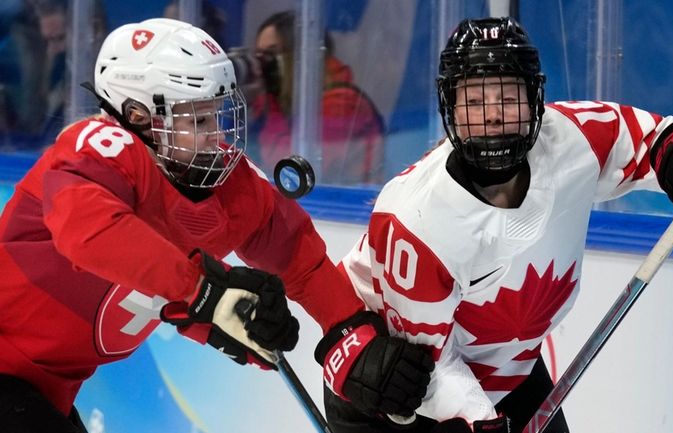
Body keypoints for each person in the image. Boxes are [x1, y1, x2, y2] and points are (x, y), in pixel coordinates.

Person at [0, 18, 433, 433]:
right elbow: (91, 233)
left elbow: (297, 255)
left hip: (42, 393)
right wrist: (207, 292)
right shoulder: (93, 150)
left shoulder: (223, 180)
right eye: (197, 119)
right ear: (136, 116)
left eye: (216, 115)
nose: (215, 135)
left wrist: (348, 332)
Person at [318, 17, 673, 433]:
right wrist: (481, 423)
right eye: (474, 102)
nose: (492, 117)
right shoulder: (415, 222)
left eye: (508, 99)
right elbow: (427, 367)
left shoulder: (571, 139)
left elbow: (652, 140)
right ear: (450, 108)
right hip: (397, 402)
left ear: (535, 101)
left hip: (510, 372)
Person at [250, 10, 385, 185]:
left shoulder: (342, 103)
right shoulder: (286, 102)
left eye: (271, 55)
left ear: (299, 56)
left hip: (345, 205)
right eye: (258, 57)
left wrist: (271, 104)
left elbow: (288, 169)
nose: (262, 67)